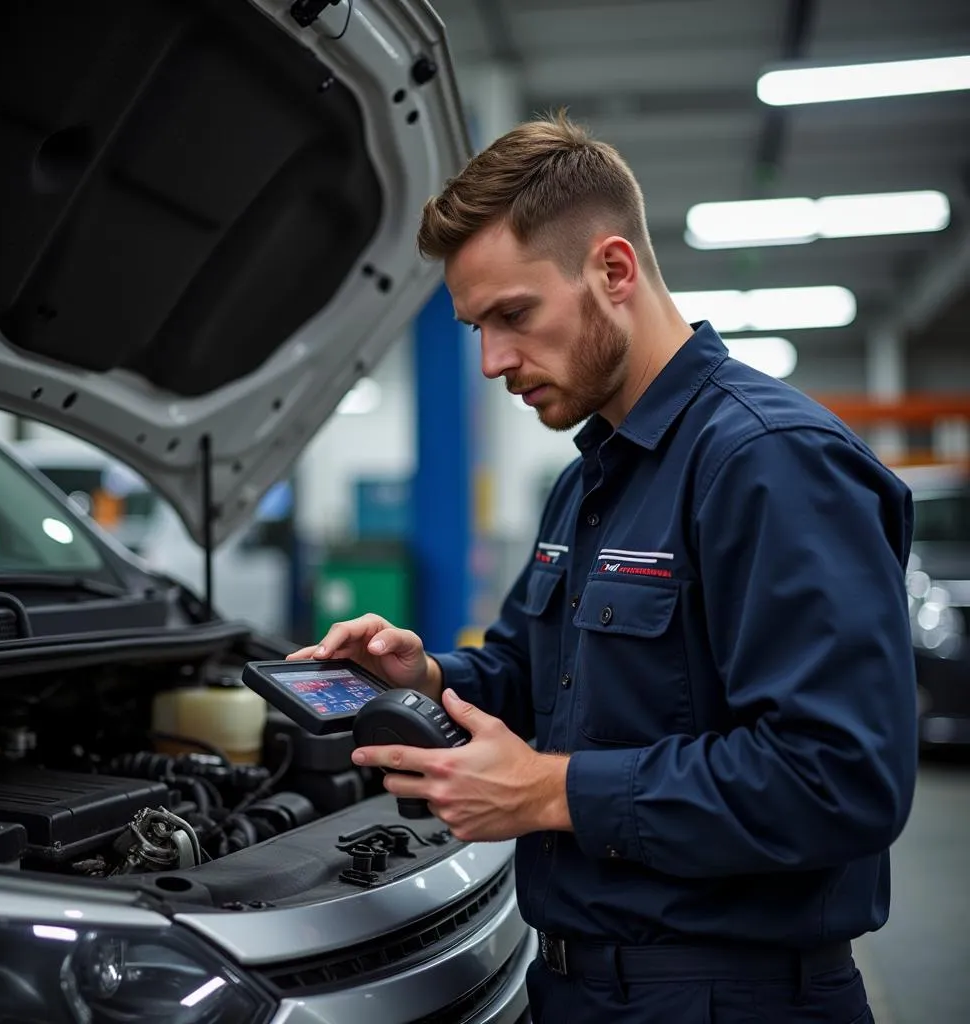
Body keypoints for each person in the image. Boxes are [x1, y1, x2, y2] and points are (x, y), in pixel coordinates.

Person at [288, 112, 918, 1023]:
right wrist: (426, 676)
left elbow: (840, 779)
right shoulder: (590, 479)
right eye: (475, 328)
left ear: (613, 271)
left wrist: (553, 791)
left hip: (728, 997)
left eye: (514, 315)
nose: (496, 360)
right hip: (575, 984)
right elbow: (536, 676)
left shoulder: (767, 463)